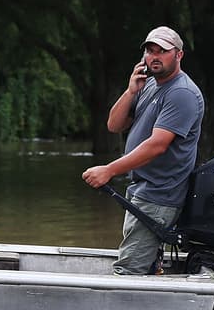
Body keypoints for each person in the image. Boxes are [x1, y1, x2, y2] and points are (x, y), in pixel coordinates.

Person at [81, 26, 205, 274]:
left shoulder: (181, 93)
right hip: (142, 190)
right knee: (143, 267)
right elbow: (114, 125)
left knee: (129, 271)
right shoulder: (148, 85)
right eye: (150, 51)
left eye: (163, 51)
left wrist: (109, 170)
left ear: (178, 55)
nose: (154, 57)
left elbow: (158, 145)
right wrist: (131, 91)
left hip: (160, 195)